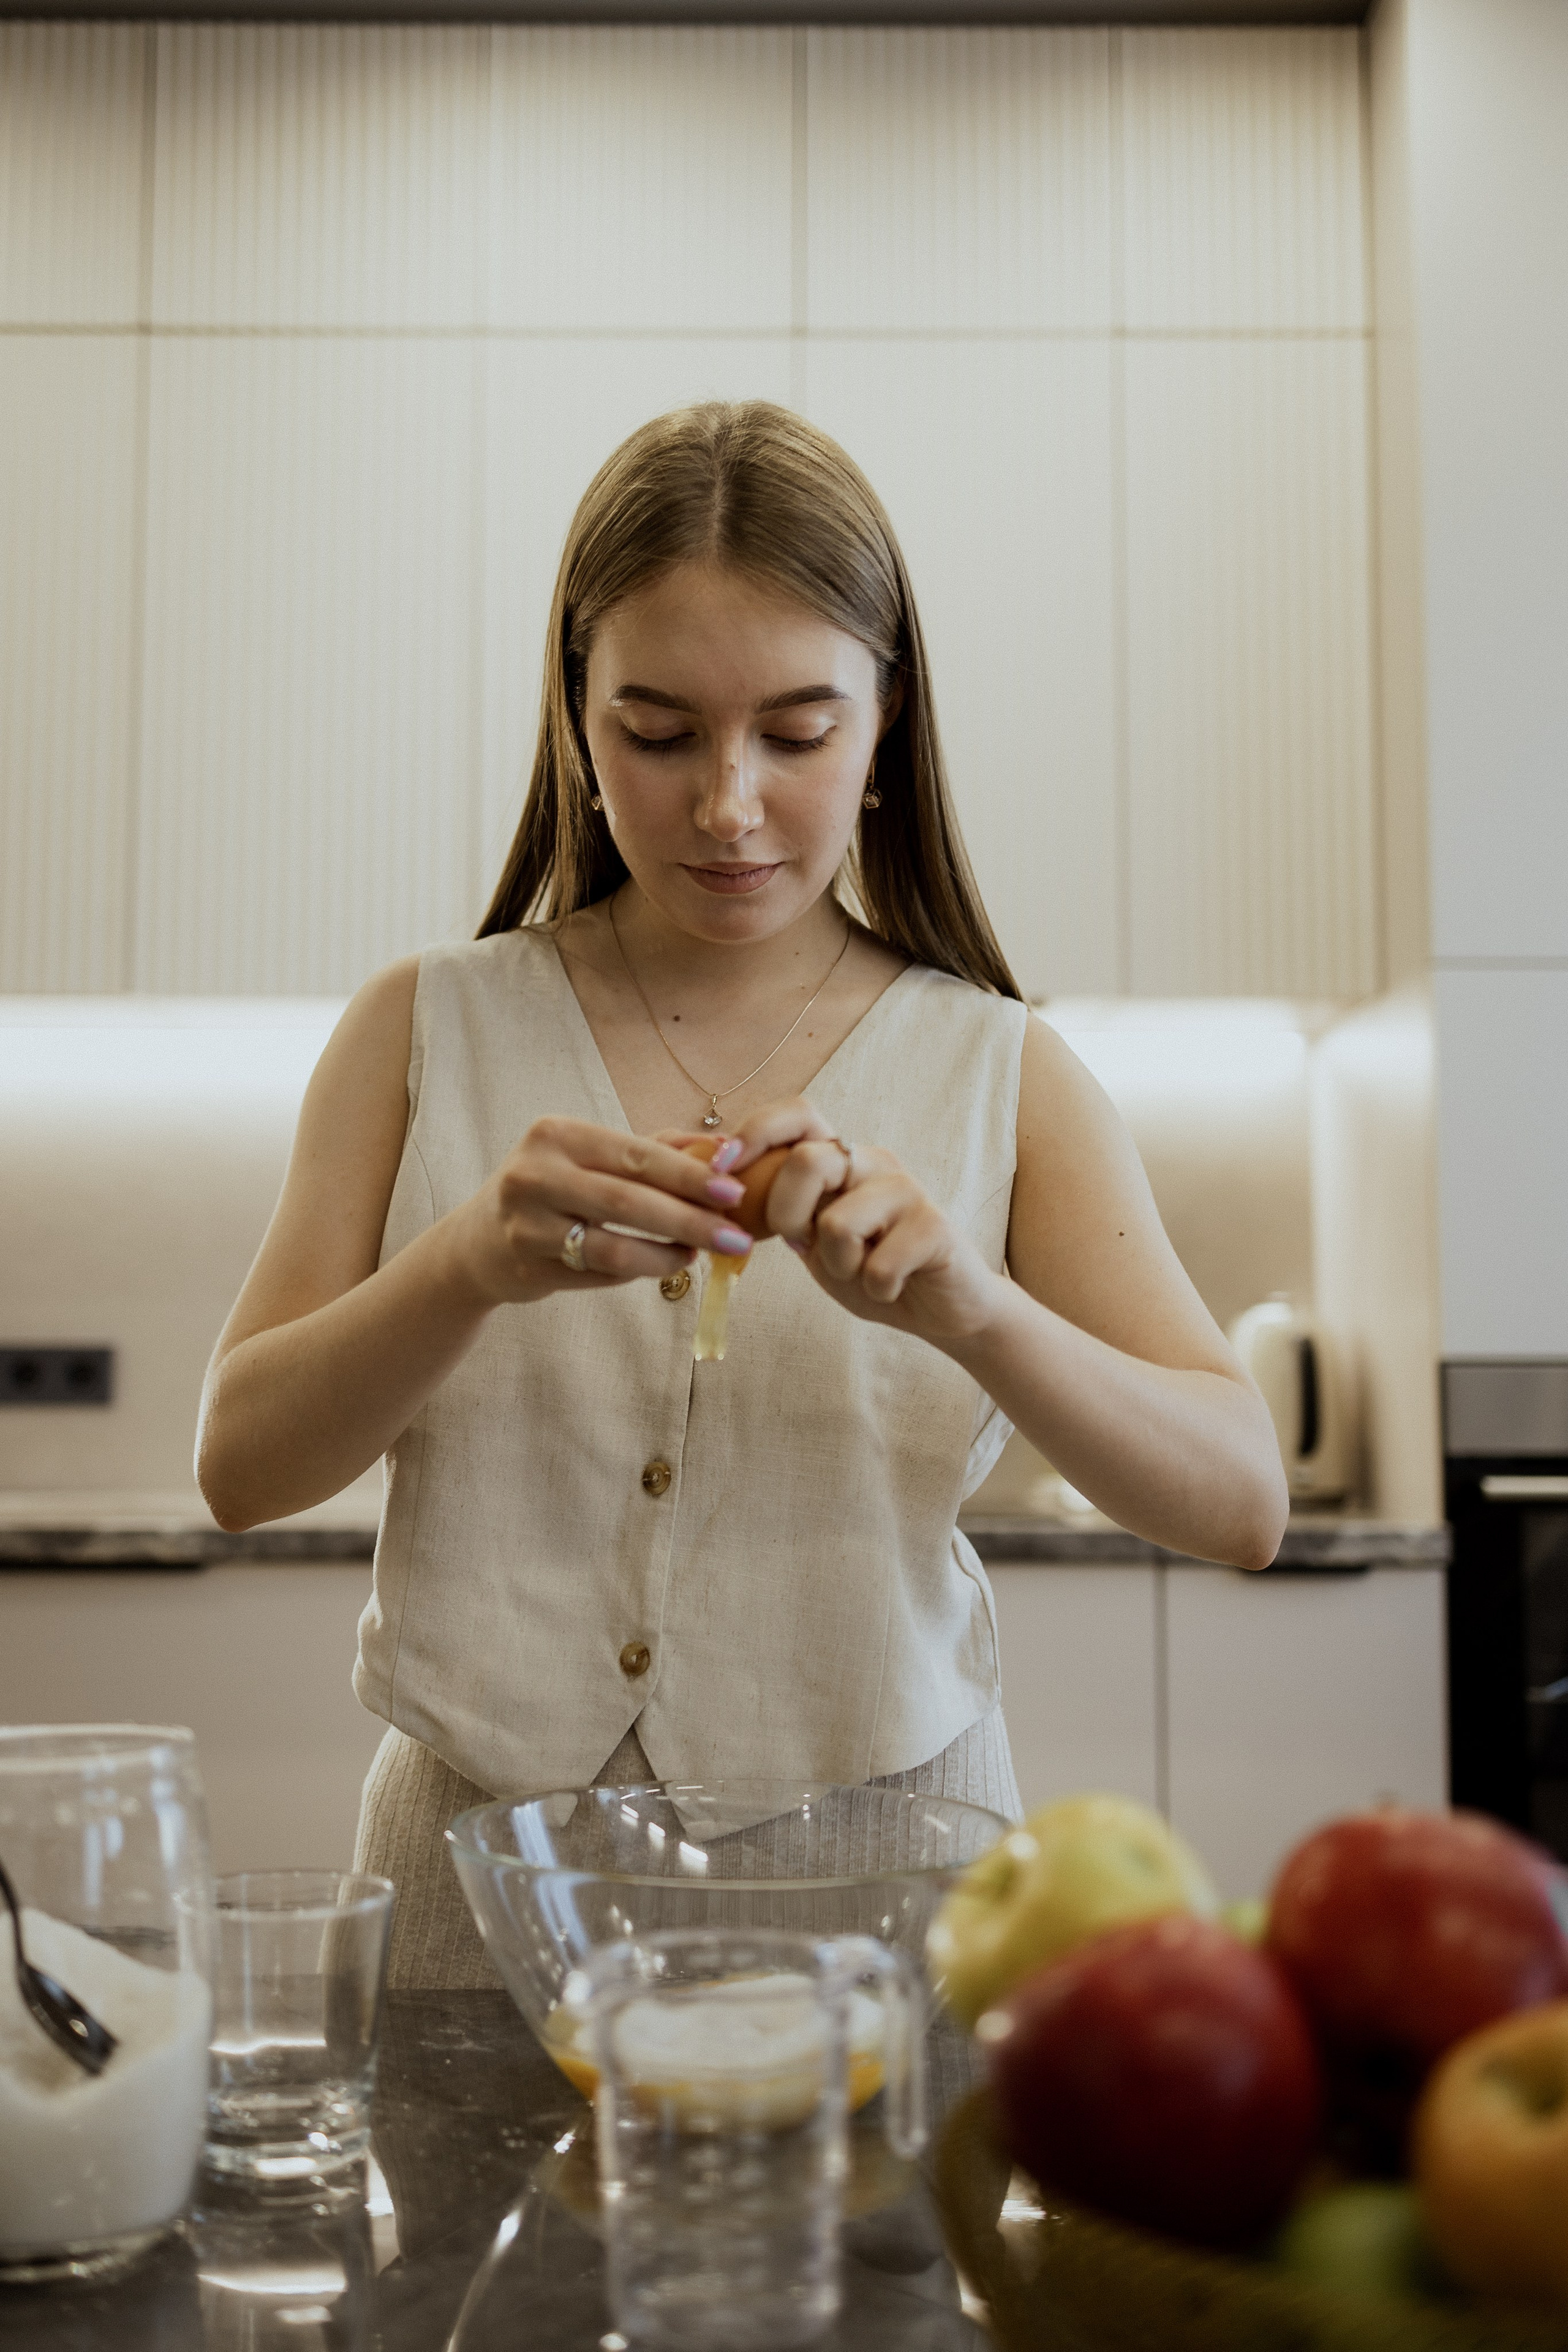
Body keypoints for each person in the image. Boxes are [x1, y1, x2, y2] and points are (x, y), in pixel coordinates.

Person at [197, 401, 1287, 1989]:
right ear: (576, 712)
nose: (727, 803)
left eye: (796, 732)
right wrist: (462, 1269)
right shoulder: (418, 1032)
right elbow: (239, 1466)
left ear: (889, 720)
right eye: (658, 730)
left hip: (895, 1925)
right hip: (478, 1931)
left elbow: (1242, 1502)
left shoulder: (1005, 1070)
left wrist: (971, 1310)